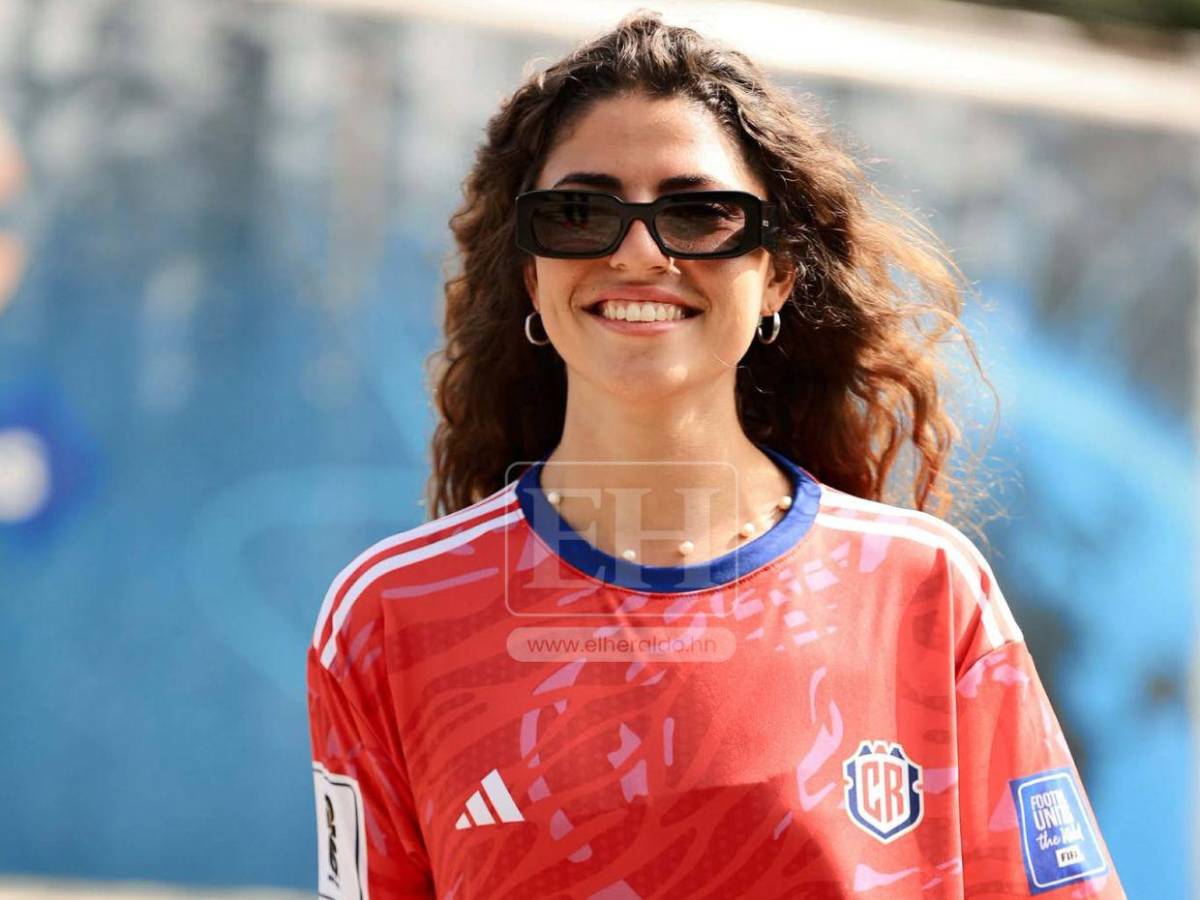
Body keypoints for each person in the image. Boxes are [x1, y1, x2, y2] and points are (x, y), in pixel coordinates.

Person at [306, 11, 1125, 898]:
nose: (638, 252)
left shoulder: (927, 593)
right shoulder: (387, 620)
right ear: (531, 273)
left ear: (777, 274)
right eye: (579, 212)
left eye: (699, 213)